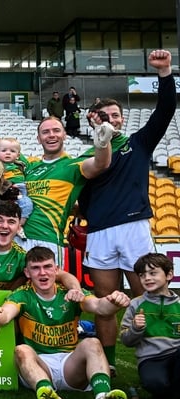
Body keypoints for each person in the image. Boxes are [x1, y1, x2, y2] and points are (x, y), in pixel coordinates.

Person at [78, 49, 176, 375]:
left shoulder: (140, 142)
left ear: (122, 118)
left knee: (145, 293)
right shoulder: (89, 158)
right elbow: (80, 197)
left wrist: (164, 73)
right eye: (104, 115)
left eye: (115, 115)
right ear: (94, 120)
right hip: (100, 232)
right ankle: (108, 365)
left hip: (134, 227)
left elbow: (165, 110)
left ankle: (160, 359)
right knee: (106, 302)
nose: (111, 119)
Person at [0, 246, 130, 399]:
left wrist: (115, 302)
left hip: (70, 364)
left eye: (47, 267)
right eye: (36, 268)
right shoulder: (21, 295)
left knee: (92, 343)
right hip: (39, 365)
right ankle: (50, 396)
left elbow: (99, 306)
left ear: (56, 269)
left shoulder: (71, 293)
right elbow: (5, 316)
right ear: (27, 273)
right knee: (22, 350)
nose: (42, 273)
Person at [17, 116, 112, 257]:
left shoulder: (73, 166)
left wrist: (103, 142)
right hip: (16, 239)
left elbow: (101, 164)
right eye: (46, 132)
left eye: (56, 130)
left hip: (48, 240)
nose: (51, 135)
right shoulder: (29, 167)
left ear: (65, 135)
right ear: (38, 138)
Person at [120, 253, 180, 399]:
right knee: (156, 384)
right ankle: (169, 398)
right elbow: (126, 340)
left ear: (169, 275)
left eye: (153, 273)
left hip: (176, 355)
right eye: (142, 275)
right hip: (150, 359)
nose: (147, 278)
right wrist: (135, 328)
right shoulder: (135, 304)